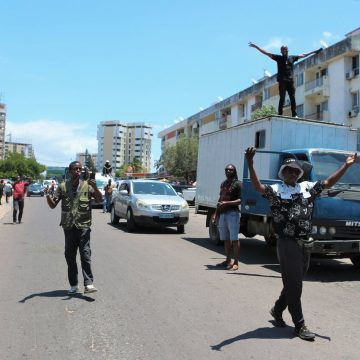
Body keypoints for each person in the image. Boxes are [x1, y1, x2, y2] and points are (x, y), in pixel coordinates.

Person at [245, 147, 357, 341]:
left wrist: (346, 166)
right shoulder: (276, 190)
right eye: (289, 170)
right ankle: (299, 325)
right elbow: (257, 187)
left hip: (305, 243)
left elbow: (329, 182)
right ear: (283, 173)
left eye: (296, 171)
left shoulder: (307, 188)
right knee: (295, 285)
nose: (293, 173)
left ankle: (277, 309)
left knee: (293, 282)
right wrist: (250, 163)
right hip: (287, 244)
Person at [45, 161, 103, 294]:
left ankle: (89, 284)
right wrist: (48, 195)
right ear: (70, 171)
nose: (78, 171)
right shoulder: (62, 187)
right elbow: (53, 205)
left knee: (85, 254)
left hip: (84, 226)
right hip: (69, 227)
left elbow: (99, 200)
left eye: (80, 169)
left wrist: (96, 187)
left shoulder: (88, 186)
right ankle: (73, 284)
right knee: (70, 256)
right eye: (75, 169)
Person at [248, 42, 322, 117]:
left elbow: (303, 55)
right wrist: (256, 47)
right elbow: (267, 53)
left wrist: (315, 51)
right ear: (281, 51)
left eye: (285, 50)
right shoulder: (279, 58)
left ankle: (294, 114)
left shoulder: (292, 58)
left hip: (290, 81)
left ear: (287, 50)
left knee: (292, 97)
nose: (284, 51)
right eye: (282, 50)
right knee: (282, 98)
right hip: (282, 81)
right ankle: (280, 114)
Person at [214, 164, 242, 271]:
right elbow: (220, 200)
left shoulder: (238, 184)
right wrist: (216, 214)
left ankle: (236, 262)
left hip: (233, 214)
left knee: (234, 239)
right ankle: (228, 260)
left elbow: (241, 200)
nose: (228, 171)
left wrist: (227, 203)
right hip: (223, 214)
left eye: (230, 170)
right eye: (226, 170)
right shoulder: (223, 184)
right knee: (226, 239)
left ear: (234, 171)